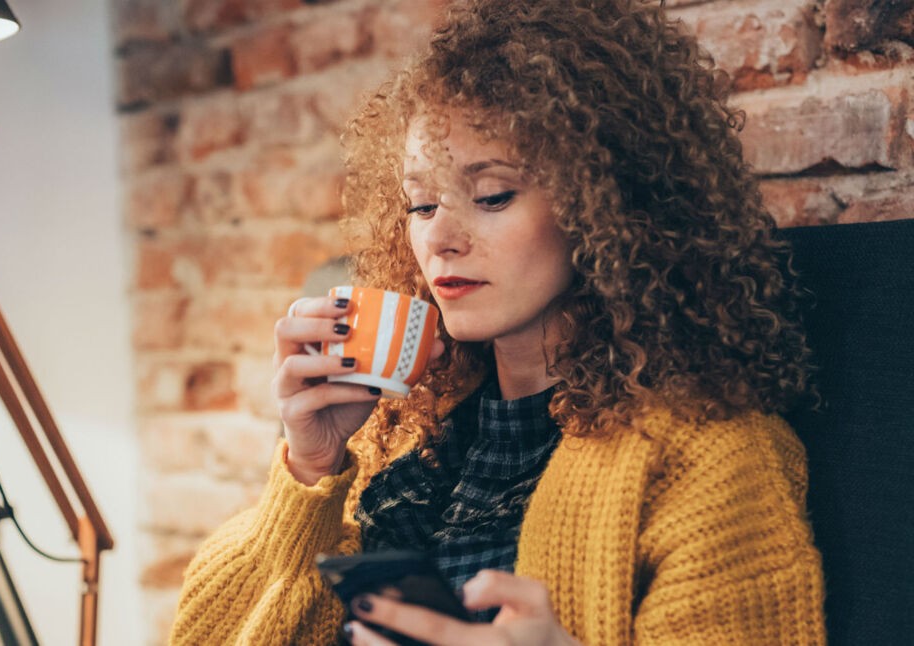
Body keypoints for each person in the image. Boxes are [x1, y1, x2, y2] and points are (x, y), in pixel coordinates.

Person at [169, 0, 826, 643]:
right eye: (421, 205)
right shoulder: (400, 432)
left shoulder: (711, 459)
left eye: (492, 196)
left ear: (606, 202)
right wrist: (311, 468)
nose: (441, 240)